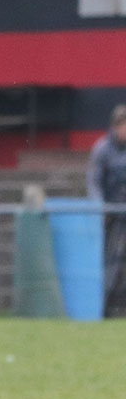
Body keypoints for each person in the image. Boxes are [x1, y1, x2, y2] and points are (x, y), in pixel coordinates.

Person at [86, 104, 126, 317]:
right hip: (113, 215)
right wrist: (99, 207)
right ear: (116, 126)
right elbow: (93, 181)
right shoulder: (102, 148)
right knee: (111, 261)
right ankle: (99, 308)